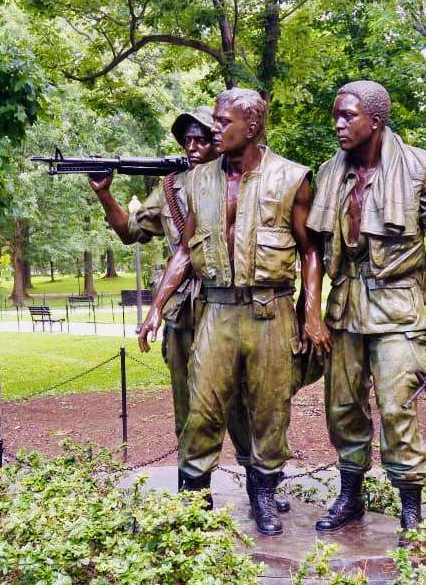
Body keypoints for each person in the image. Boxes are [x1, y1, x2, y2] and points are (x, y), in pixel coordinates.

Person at [140, 87, 330, 536]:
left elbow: (310, 252)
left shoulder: (290, 178)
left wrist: (311, 313)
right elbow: (186, 251)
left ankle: (262, 495)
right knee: (202, 408)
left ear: (253, 126)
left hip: (271, 310)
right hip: (217, 310)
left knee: (268, 409)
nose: (215, 129)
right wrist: (155, 307)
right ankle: (193, 501)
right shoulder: (198, 180)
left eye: (224, 122)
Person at [88, 108, 290, 511]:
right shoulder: (170, 189)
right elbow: (130, 232)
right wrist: (104, 193)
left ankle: (260, 487)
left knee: (247, 405)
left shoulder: (248, 182)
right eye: (187, 139)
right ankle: (196, 495)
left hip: (234, 307)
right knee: (192, 406)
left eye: (202, 138)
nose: (192, 146)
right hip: (185, 312)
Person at [307, 79, 426, 533]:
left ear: (376, 121)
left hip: (397, 308)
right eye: (336, 116)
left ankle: (411, 510)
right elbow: (313, 247)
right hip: (344, 303)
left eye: (348, 116)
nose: (339, 124)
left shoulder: (422, 168)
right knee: (342, 407)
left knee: (397, 408)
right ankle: (350, 497)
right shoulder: (329, 173)